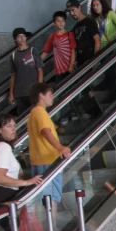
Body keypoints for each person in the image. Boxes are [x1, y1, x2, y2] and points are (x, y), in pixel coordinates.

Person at [27, 83, 71, 212]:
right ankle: (51, 230)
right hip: (48, 161)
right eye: (50, 94)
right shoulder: (40, 112)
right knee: (50, 200)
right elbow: (45, 131)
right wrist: (60, 147)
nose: (52, 97)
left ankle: (49, 229)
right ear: (41, 95)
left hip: (39, 160)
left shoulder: (33, 113)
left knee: (45, 199)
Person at [8, 28, 44, 116]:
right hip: (20, 92)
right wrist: (11, 93)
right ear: (15, 39)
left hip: (32, 90)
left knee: (36, 114)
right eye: (19, 36)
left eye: (23, 36)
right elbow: (13, 75)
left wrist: (39, 88)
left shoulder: (33, 51)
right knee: (23, 117)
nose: (22, 38)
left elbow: (40, 70)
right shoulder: (13, 55)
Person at [40, 11, 76, 85]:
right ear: (54, 23)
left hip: (69, 68)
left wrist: (71, 65)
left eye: (63, 20)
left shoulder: (69, 34)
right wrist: (36, 63)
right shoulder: (52, 36)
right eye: (58, 21)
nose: (61, 23)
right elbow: (45, 52)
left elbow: (73, 51)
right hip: (59, 70)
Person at [65, 0, 100, 67]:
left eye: (73, 10)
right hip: (81, 62)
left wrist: (95, 60)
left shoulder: (89, 22)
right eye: (69, 11)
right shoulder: (75, 28)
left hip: (90, 59)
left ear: (79, 7)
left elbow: (97, 40)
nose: (71, 13)